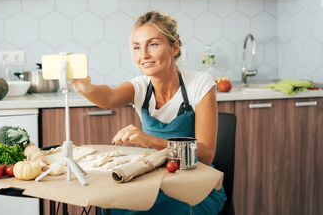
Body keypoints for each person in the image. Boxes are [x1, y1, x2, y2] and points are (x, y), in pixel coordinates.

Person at [72, 11, 226, 215]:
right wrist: (86, 88)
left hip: (195, 184)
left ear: (175, 48)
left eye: (153, 44)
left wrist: (151, 141)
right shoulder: (141, 88)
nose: (143, 55)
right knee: (115, 206)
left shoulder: (199, 84)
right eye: (137, 47)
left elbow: (205, 155)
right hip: (153, 178)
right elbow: (109, 97)